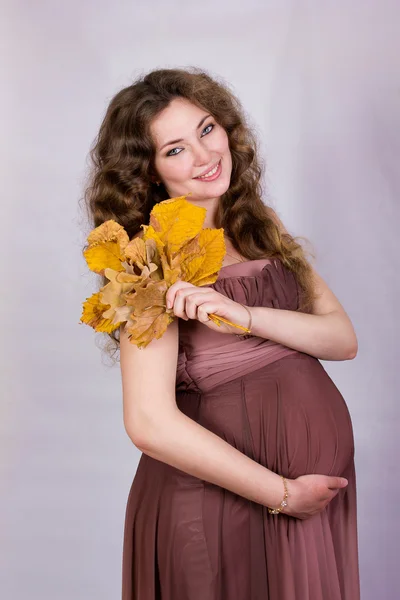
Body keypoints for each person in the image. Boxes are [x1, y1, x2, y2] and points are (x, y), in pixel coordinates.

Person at [84, 67, 360, 599]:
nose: (206, 156)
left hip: (306, 505)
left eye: (207, 130)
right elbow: (148, 422)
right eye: (175, 149)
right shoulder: (147, 260)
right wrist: (282, 494)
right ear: (147, 172)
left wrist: (246, 316)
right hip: (223, 509)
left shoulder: (258, 224)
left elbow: (341, 340)